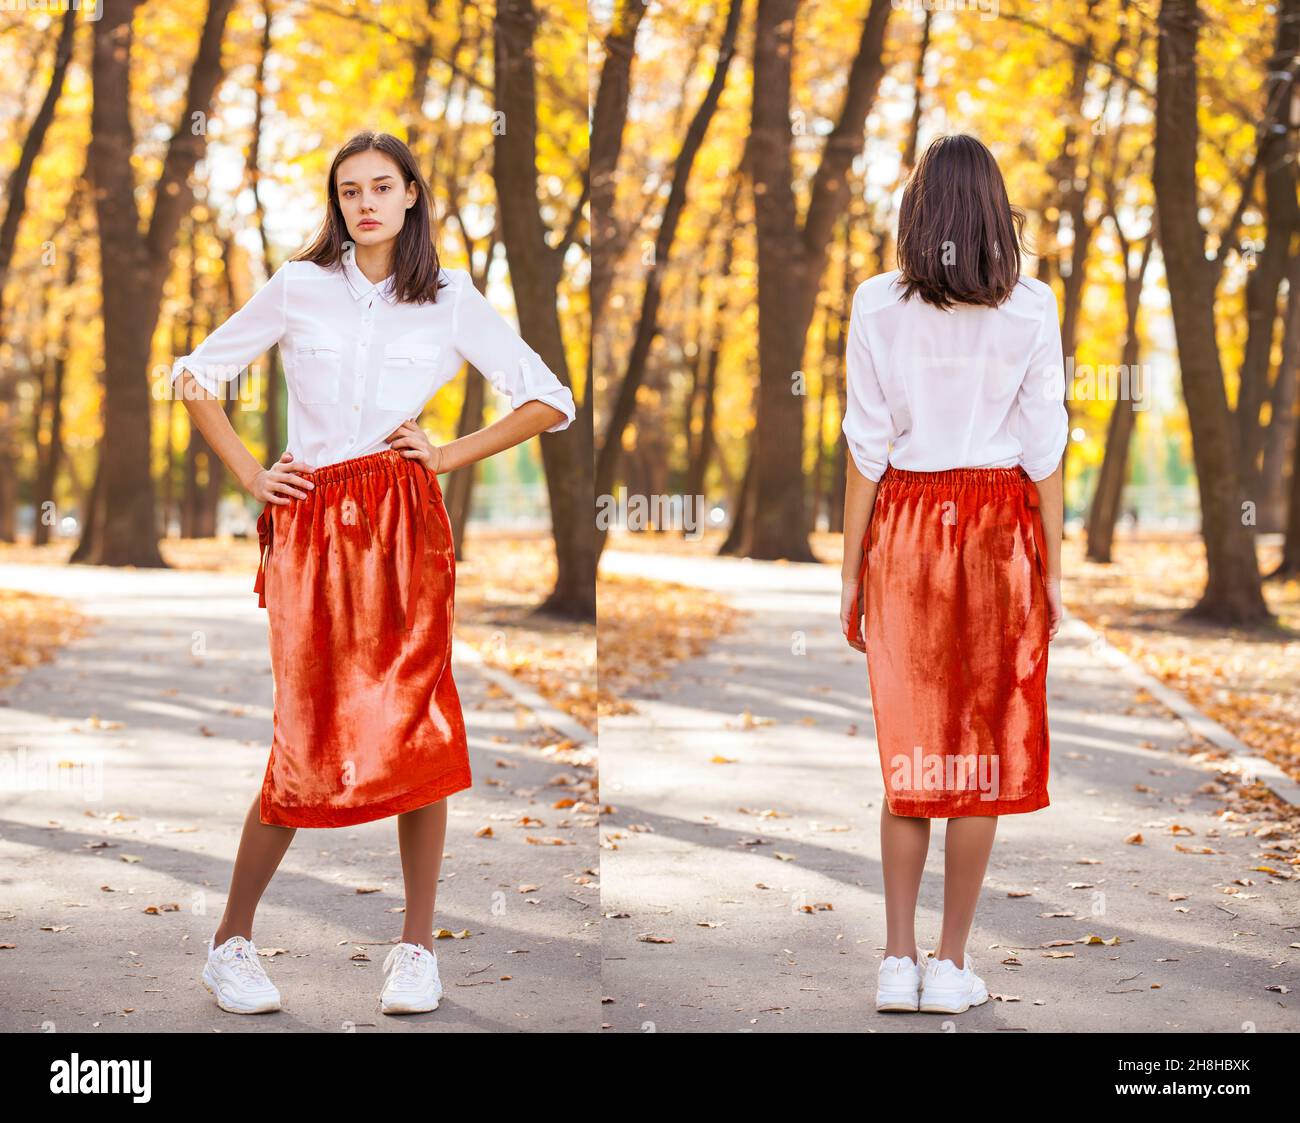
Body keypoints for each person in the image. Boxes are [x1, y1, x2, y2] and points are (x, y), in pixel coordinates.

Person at [172, 130, 576, 1016]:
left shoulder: (451, 297)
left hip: (403, 526)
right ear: (337, 202)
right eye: (349, 189)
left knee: (417, 728)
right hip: (311, 527)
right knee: (304, 736)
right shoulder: (298, 286)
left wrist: (446, 455)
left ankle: (415, 950)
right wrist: (249, 473)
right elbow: (194, 376)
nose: (364, 202)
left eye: (381, 186)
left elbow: (551, 397)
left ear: (410, 196)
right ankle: (230, 943)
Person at [838, 134, 1066, 1016]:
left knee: (912, 747)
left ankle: (895, 962)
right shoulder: (1032, 307)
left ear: (918, 210)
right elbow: (1045, 447)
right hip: (1000, 529)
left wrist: (853, 571)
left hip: (904, 526)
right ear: (992, 210)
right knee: (984, 754)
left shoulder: (875, 303)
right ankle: (948, 964)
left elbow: (867, 446)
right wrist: (1054, 570)